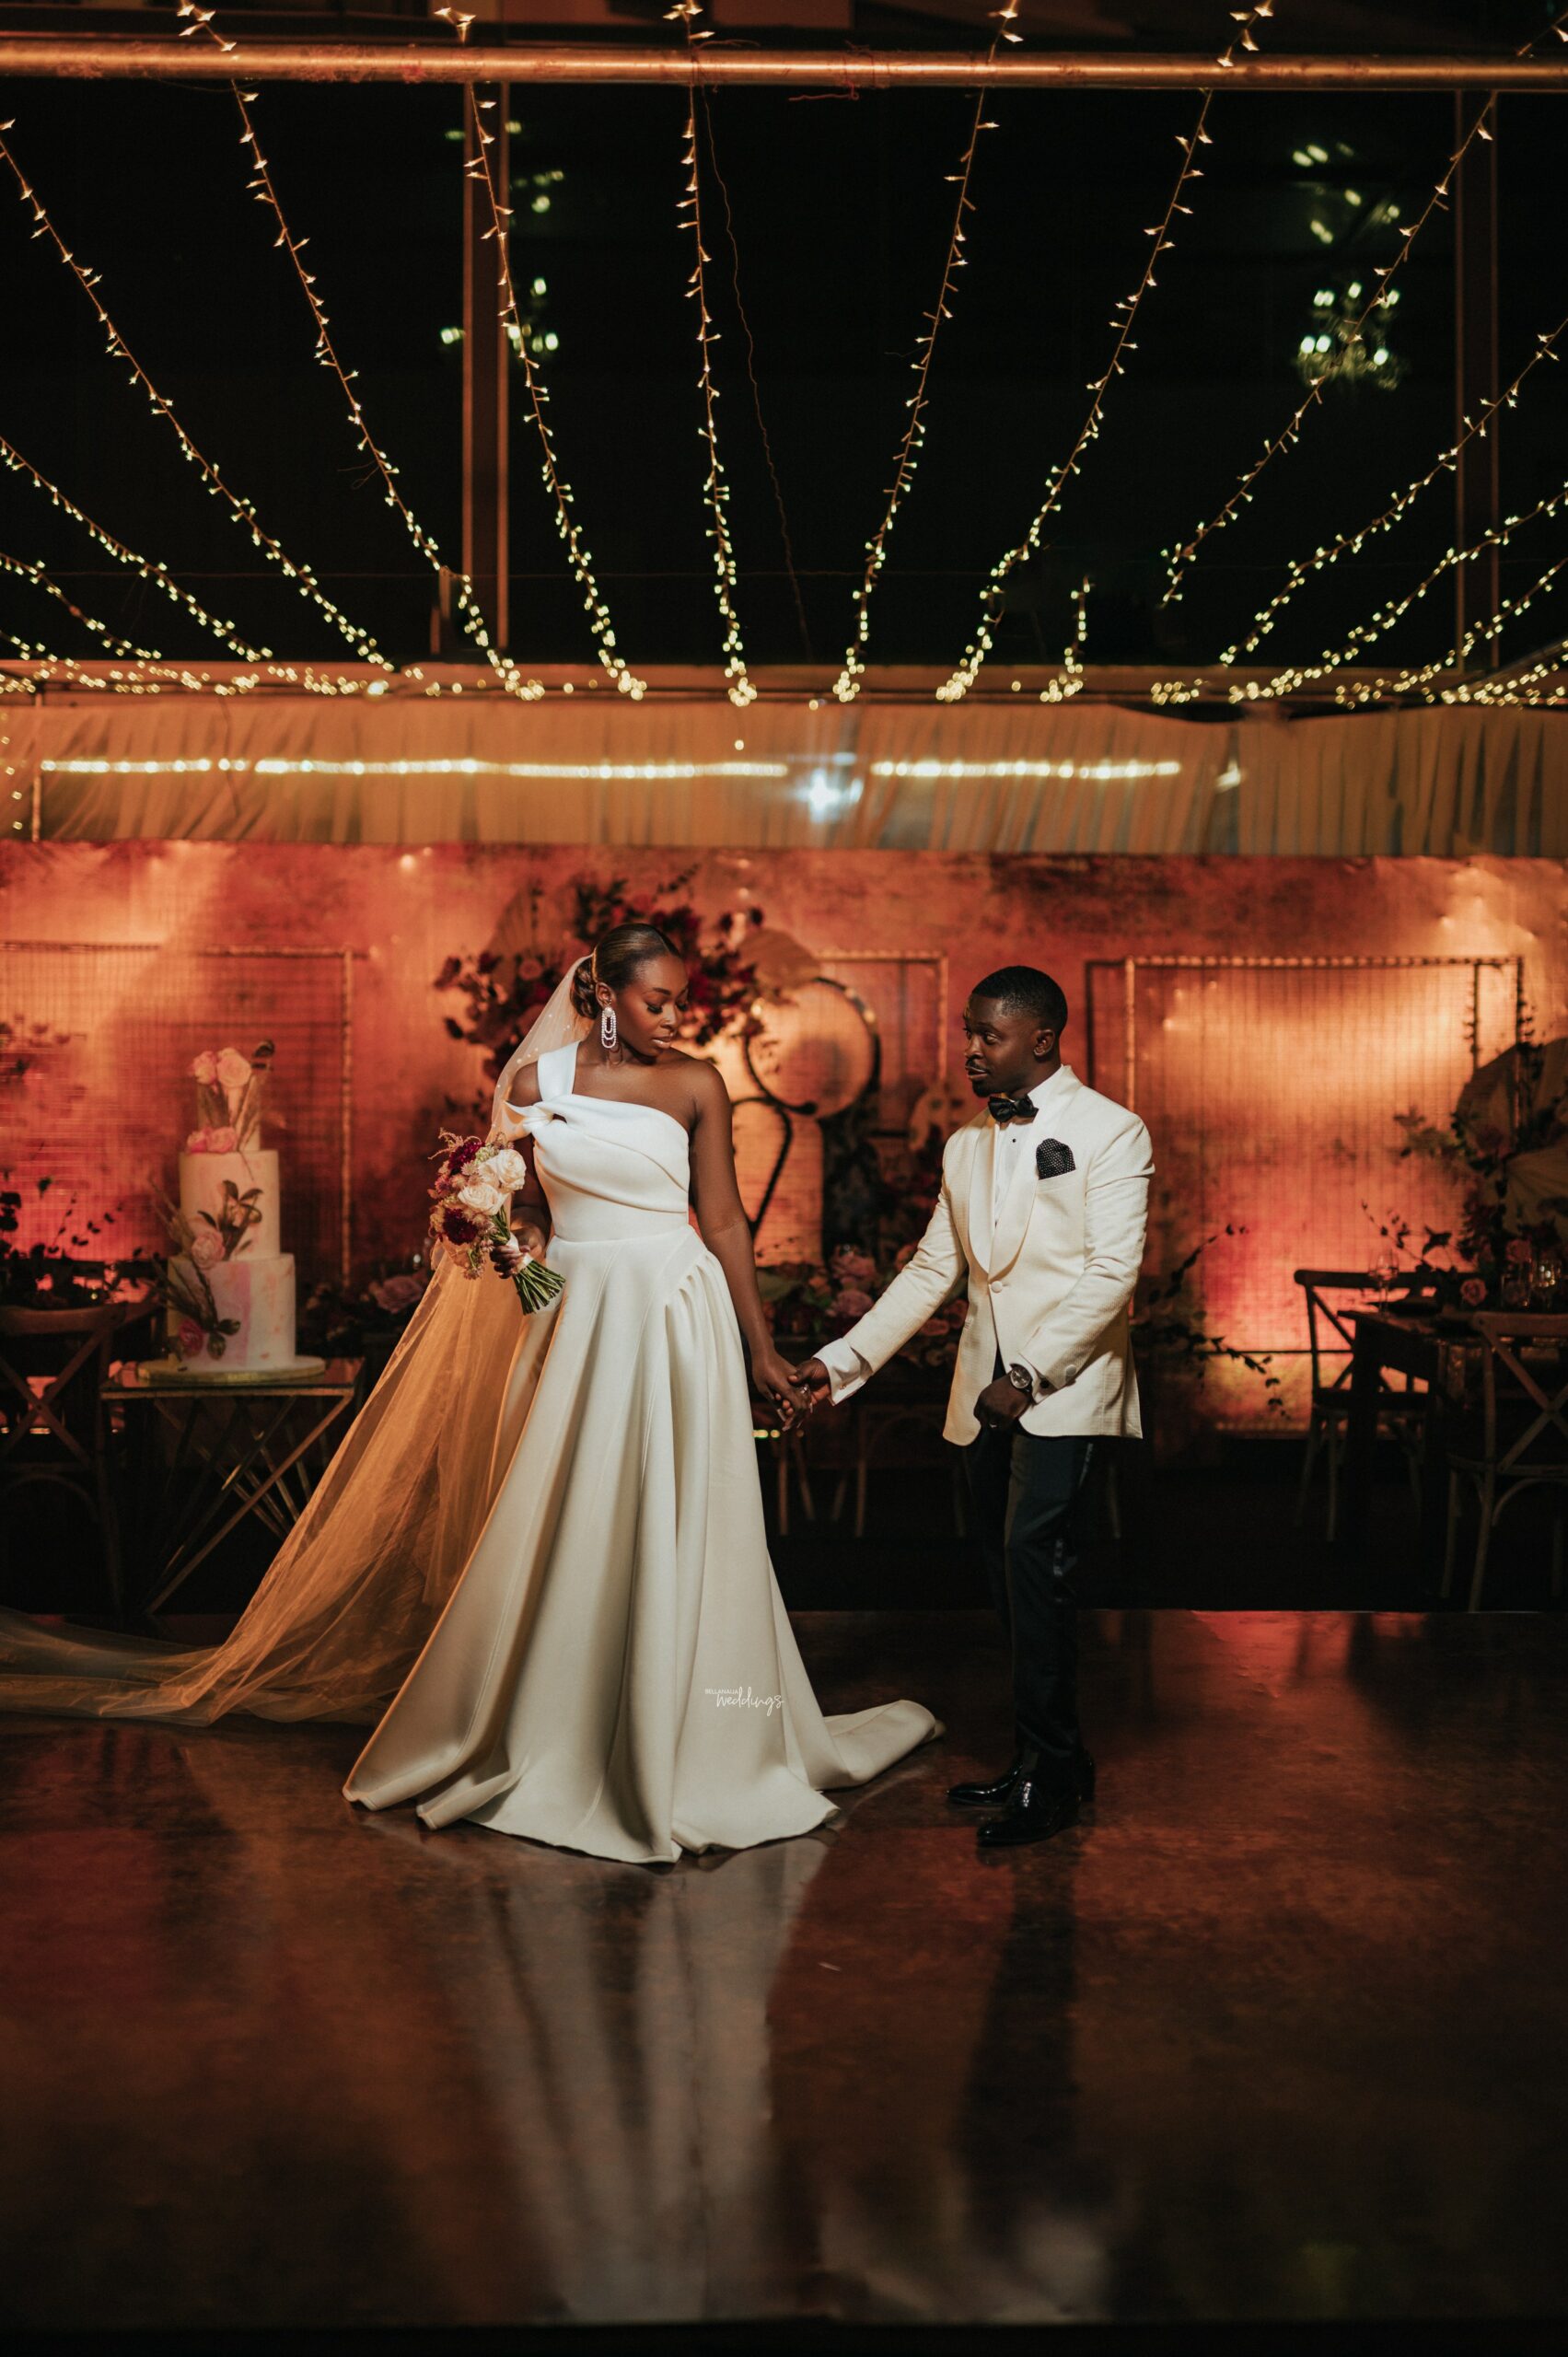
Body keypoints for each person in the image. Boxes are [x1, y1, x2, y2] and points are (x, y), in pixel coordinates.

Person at [0, 927, 941, 1864]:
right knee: (565, 1509)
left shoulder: (697, 1082)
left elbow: (727, 1217)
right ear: (605, 995)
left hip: (671, 1308)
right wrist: (501, 1234)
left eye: (677, 1002)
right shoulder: (535, 1086)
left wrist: (760, 1347)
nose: (671, 1017)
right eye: (655, 1000)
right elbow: (506, 1201)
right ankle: (560, 1723)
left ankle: (703, 1729)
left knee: (680, 1507)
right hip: (573, 1313)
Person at [799, 965, 1152, 1849]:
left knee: (1035, 1561)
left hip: (1060, 1391)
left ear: (1040, 1039)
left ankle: (1053, 1774)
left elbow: (1111, 1276)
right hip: (980, 1394)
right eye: (967, 1032)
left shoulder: (1113, 1132)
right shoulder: (964, 1145)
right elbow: (930, 1272)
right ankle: (1046, 1761)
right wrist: (838, 1362)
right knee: (1003, 1577)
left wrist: (1029, 1375)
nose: (969, 1051)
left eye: (987, 1036)